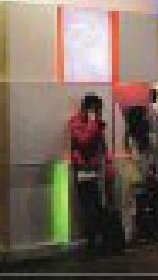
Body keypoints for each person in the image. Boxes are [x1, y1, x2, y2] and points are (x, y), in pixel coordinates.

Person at [124, 104, 158, 243]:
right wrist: (154, 170)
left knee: (144, 203)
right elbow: (150, 155)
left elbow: (136, 156)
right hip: (150, 174)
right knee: (157, 202)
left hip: (141, 174)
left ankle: (146, 232)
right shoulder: (145, 135)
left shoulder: (132, 136)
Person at [69, 93, 110, 256]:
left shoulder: (96, 123)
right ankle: (91, 239)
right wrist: (93, 123)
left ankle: (100, 237)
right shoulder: (75, 122)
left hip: (96, 167)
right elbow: (83, 140)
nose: (98, 112)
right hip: (83, 168)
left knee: (98, 202)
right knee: (88, 204)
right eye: (96, 109)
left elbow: (102, 144)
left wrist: (108, 163)